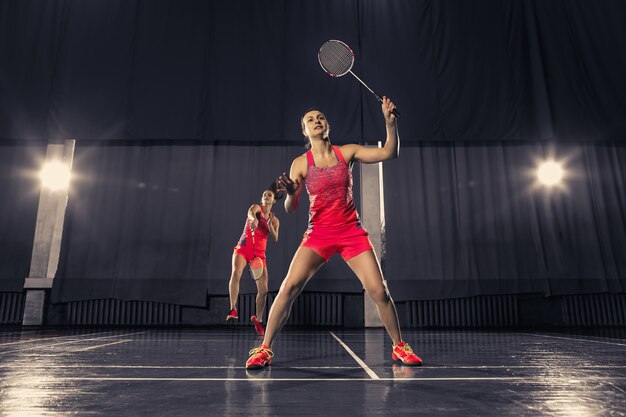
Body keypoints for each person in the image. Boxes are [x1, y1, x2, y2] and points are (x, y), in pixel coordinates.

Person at [245, 97, 422, 368]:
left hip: (351, 232)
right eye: (310, 120)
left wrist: (389, 124)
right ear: (304, 131)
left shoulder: (347, 152)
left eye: (320, 117)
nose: (316, 121)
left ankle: (399, 347)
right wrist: (292, 193)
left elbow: (389, 152)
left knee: (379, 290)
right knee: (289, 287)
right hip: (318, 235)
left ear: (328, 125)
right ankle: (264, 349)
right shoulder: (300, 163)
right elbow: (292, 209)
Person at [227, 183, 282, 335]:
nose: (266, 196)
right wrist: (254, 220)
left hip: (259, 255)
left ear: (274, 201)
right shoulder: (256, 208)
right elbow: (250, 213)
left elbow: (275, 238)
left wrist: (270, 225)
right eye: (264, 194)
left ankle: (258, 319)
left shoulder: (274, 220)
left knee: (263, 291)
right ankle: (233, 309)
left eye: (269, 195)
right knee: (236, 272)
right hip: (245, 247)